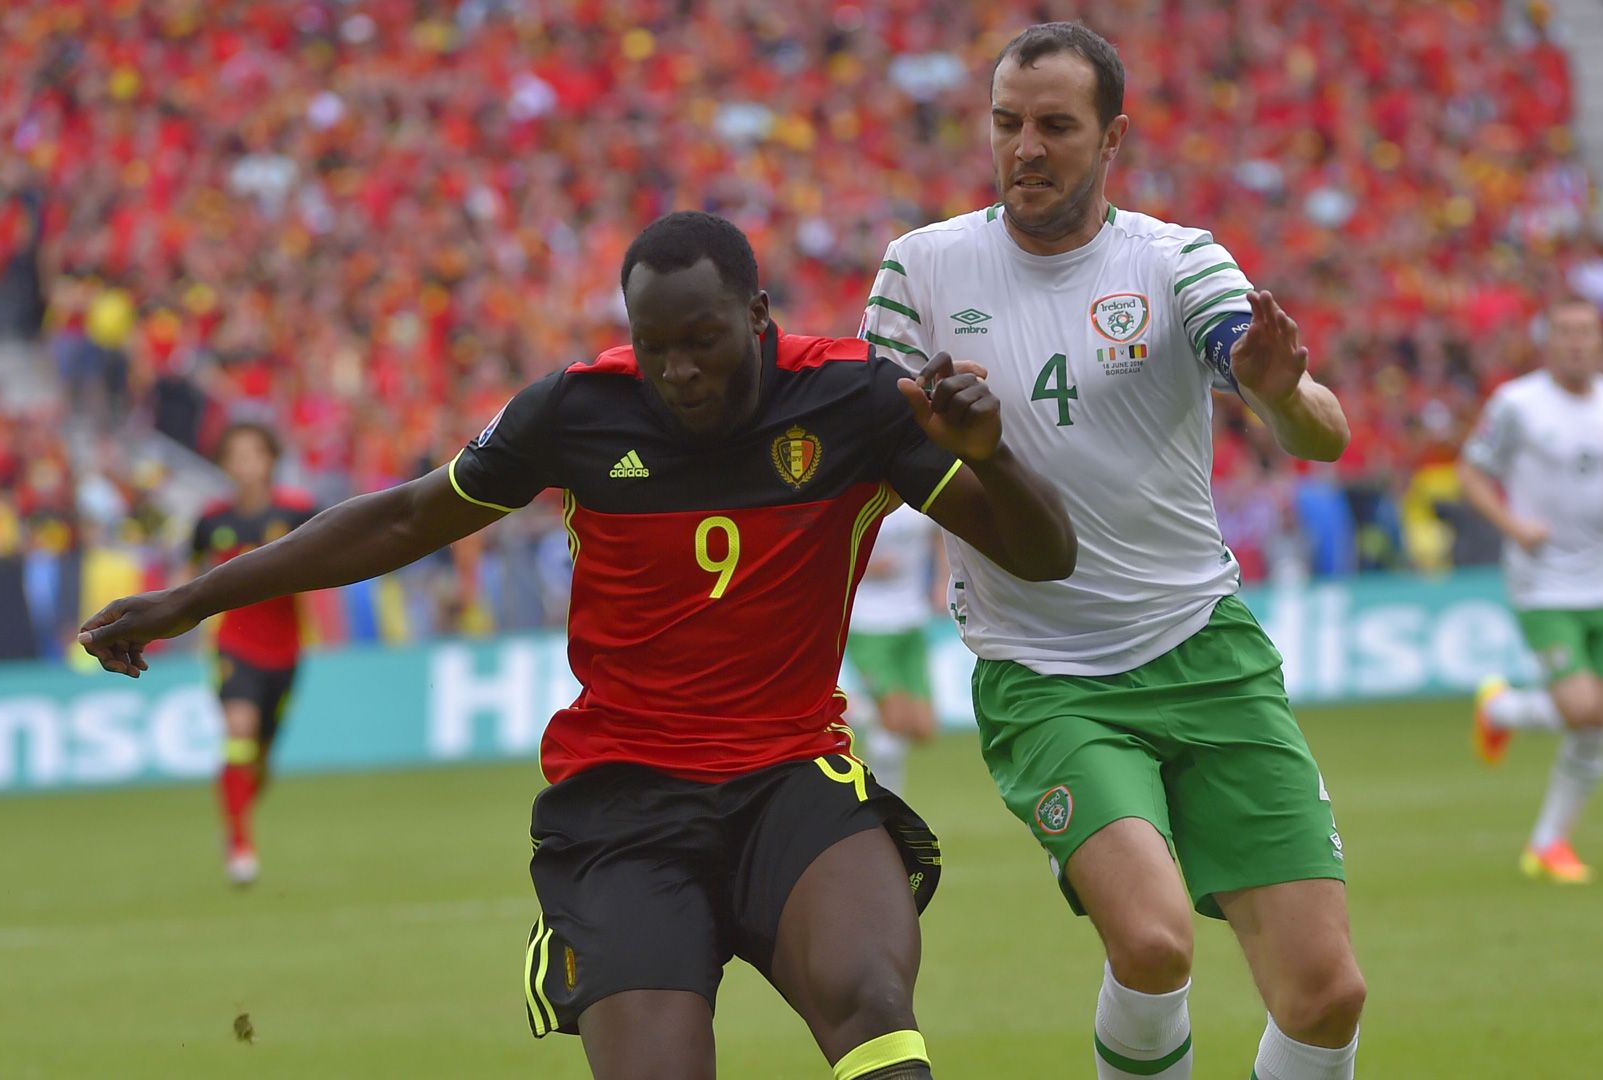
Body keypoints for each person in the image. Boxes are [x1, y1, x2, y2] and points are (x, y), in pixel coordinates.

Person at [80, 211, 1075, 1080]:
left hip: (791, 782)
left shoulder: (856, 402)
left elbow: (1044, 553)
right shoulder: (577, 412)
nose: (678, 371)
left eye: (703, 340)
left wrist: (992, 457)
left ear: (758, 315)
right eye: (654, 346)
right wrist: (194, 600)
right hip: (625, 805)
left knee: (872, 1006)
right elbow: (401, 520)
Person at [862, 23, 1364, 1080]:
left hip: (1205, 648)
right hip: (1048, 677)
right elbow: (866, 454)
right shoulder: (922, 269)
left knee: (1326, 997)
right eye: (1008, 124)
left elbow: (1319, 431)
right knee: (1151, 938)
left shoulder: (1179, 262)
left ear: (1113, 136)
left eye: (1055, 125)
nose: (1026, 148)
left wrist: (1280, 391)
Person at [1461, 296, 1603, 884]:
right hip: (1542, 581)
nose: (1576, 342)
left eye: (1586, 332)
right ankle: (1501, 707)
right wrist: (1513, 526)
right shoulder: (1517, 404)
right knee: (1580, 707)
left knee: (1600, 721)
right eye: (1565, 331)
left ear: (1600, 342)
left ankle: (1549, 844)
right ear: (1548, 340)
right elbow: (1471, 472)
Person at [187, 422, 317, 886]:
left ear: (270, 460)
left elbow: (332, 566)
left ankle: (236, 816)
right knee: (237, 733)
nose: (245, 464)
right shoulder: (211, 522)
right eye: (235, 455)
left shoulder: (299, 512)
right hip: (234, 645)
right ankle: (241, 842)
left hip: (286, 651)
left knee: (259, 760)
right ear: (225, 464)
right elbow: (191, 579)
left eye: (254, 454)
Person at [843, 504, 944, 793]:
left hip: (912, 621)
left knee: (924, 730)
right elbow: (830, 548)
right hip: (868, 623)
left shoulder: (919, 496)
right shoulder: (865, 498)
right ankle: (889, 803)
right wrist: (865, 565)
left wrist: (941, 580)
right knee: (894, 722)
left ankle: (853, 708)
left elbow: (940, 534)